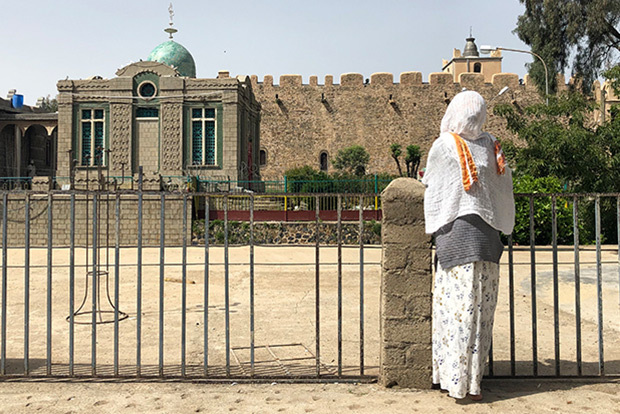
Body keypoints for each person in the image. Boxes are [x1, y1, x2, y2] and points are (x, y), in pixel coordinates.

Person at [421, 91, 515, 401]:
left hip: (457, 239)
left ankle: (452, 380)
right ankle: (473, 382)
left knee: (454, 314)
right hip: (489, 240)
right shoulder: (491, 145)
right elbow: (502, 186)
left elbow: (432, 186)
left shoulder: (446, 144)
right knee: (480, 317)